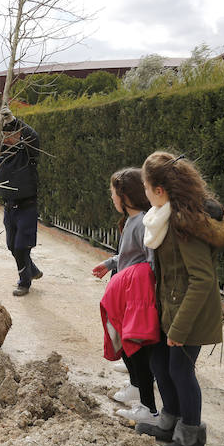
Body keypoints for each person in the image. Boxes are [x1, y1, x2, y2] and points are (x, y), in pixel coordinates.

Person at [135, 151, 224, 446]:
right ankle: (171, 421)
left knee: (180, 370)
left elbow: (202, 280)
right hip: (171, 309)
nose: (144, 192)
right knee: (159, 365)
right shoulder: (165, 219)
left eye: (146, 186)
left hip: (188, 315)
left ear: (160, 191)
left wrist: (179, 328)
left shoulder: (184, 225)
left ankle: (192, 439)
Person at [92, 168, 159, 424]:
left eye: (113, 193)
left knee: (134, 348)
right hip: (125, 293)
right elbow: (131, 256)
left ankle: (147, 406)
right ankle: (135, 386)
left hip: (137, 299)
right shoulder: (132, 220)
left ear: (125, 196)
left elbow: (150, 261)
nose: (112, 198)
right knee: (125, 344)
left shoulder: (142, 222)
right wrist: (111, 263)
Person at [0, 105, 42, 296]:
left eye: (13, 133)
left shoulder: (27, 152)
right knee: (11, 245)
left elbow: (34, 137)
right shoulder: (1, 153)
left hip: (27, 205)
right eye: (6, 134)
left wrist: (15, 121)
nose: (9, 137)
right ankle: (31, 270)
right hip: (9, 208)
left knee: (20, 246)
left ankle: (24, 282)